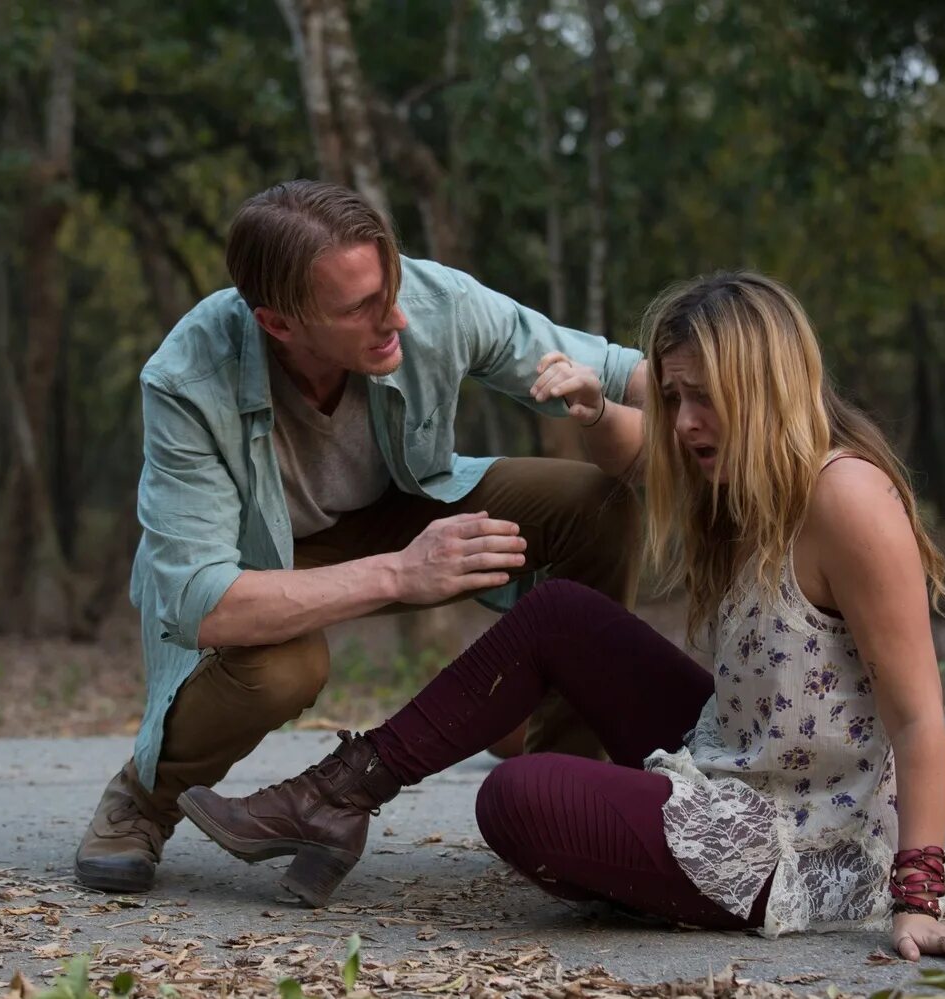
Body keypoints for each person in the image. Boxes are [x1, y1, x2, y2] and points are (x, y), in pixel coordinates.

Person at [177, 272, 945, 965]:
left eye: (708, 397)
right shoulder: (741, 464)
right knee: (560, 615)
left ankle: (635, 851)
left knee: (520, 796)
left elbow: (918, 718)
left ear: (769, 388)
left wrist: (917, 896)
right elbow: (637, 450)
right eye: (676, 394)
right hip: (734, 763)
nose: (688, 419)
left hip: (806, 842)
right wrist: (590, 407)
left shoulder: (848, 498)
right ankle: (339, 793)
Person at [74, 180, 651, 894]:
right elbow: (204, 601)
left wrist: (761, 406)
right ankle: (142, 797)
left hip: (407, 506)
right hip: (270, 559)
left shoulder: (431, 304)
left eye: (391, 288)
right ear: (278, 324)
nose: (397, 319)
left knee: (596, 505)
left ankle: (565, 779)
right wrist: (401, 574)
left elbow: (621, 371)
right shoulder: (188, 376)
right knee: (282, 669)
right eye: (360, 309)